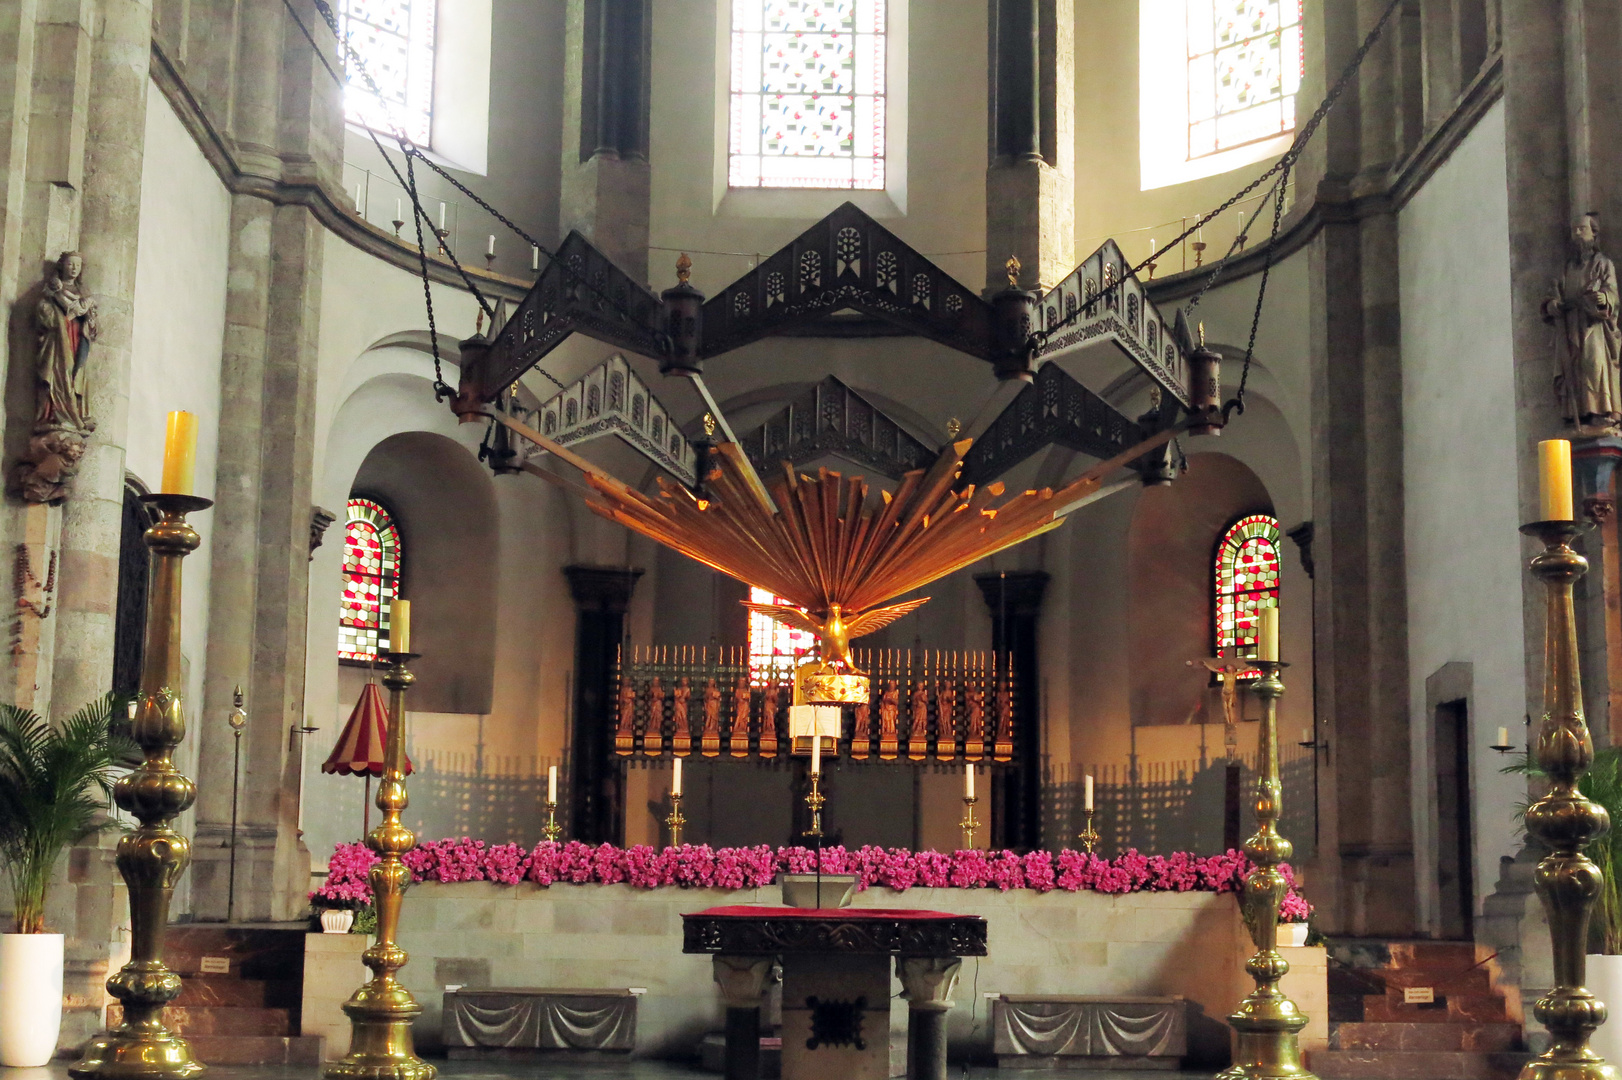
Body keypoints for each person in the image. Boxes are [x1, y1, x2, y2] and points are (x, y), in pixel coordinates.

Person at [1545, 214, 1621, 430]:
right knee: (1573, 367)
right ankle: (1576, 413)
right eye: (1574, 230)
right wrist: (1552, 305)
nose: (1577, 234)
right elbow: (1552, 294)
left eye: (1581, 229)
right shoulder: (1567, 268)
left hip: (1593, 326)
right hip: (1570, 325)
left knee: (1594, 364)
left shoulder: (1604, 264)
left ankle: (1601, 411)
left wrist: (1604, 298)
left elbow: (1612, 293)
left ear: (1593, 233)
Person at [35, 251, 98, 433]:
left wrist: (88, 317)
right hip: (57, 342)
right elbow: (42, 313)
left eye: (78, 265)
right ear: (62, 265)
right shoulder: (51, 290)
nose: (74, 269)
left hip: (77, 339)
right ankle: (52, 414)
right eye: (70, 264)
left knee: (74, 373)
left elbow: (92, 324)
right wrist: (59, 317)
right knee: (57, 372)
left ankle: (76, 412)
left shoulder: (83, 293)